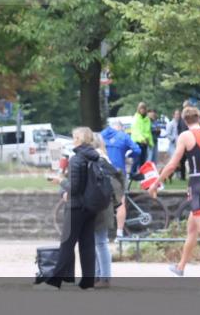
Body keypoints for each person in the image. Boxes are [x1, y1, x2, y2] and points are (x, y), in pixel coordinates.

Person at [151, 106, 200, 278]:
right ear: (199, 117)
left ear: (184, 120)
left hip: (197, 182)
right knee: (192, 228)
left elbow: (173, 164)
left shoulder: (186, 136)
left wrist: (157, 182)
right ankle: (180, 266)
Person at [47, 127, 99, 290]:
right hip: (91, 206)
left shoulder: (76, 160)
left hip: (76, 206)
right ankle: (88, 282)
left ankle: (55, 281)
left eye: (74, 137)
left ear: (80, 140)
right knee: (87, 244)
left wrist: (60, 181)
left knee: (67, 244)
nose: (72, 140)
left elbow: (75, 188)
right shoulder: (96, 157)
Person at [100, 119, 140, 238]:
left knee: (103, 203)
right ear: (121, 127)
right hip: (118, 173)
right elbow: (138, 150)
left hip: (103, 172)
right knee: (121, 202)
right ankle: (119, 234)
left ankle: (104, 235)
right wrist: (128, 154)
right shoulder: (123, 136)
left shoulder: (101, 136)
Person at [92, 134, 122, 289]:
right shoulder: (104, 158)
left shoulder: (99, 159)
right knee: (98, 242)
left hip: (101, 206)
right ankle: (99, 275)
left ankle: (104, 277)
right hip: (105, 205)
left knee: (101, 242)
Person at [130, 102, 152, 178]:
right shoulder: (136, 118)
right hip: (137, 142)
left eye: (143, 108)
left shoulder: (147, 119)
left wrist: (150, 142)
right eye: (141, 108)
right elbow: (136, 131)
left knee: (143, 160)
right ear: (138, 109)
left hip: (145, 143)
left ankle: (141, 175)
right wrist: (142, 139)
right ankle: (132, 174)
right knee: (136, 159)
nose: (142, 110)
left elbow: (148, 131)